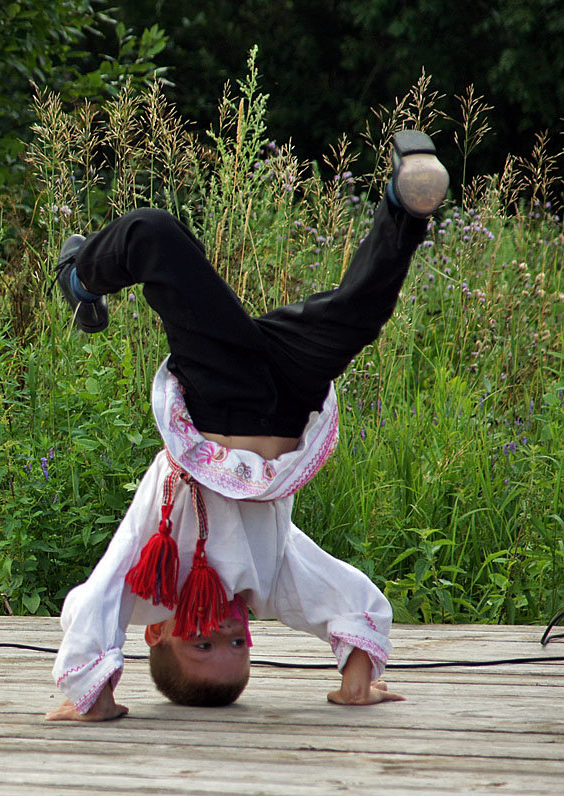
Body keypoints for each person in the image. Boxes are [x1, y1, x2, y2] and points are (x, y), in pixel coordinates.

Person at [46, 131, 448, 721]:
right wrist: (356, 682)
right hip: (289, 402)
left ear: (157, 634)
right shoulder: (268, 576)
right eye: (238, 645)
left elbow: (93, 598)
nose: (224, 629)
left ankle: (80, 281)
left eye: (202, 643)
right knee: (357, 312)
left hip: (222, 404)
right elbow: (342, 593)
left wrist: (93, 697)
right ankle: (405, 202)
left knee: (153, 235)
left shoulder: (149, 584)